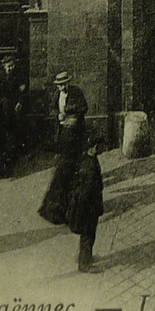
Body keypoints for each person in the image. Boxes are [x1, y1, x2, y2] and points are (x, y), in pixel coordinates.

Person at [38, 70, 88, 224]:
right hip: (64, 135)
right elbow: (52, 109)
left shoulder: (76, 93)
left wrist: (68, 111)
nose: (62, 87)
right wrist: (56, 115)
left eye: (64, 84)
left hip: (75, 134)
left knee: (72, 171)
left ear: (68, 82)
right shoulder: (56, 95)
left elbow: (83, 108)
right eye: (59, 84)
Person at [66, 138, 106, 272]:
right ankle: (85, 264)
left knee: (86, 234)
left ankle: (84, 258)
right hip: (88, 207)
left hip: (84, 205)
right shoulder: (90, 166)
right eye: (98, 146)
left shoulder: (85, 159)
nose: (100, 148)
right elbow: (89, 189)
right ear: (92, 147)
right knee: (88, 234)